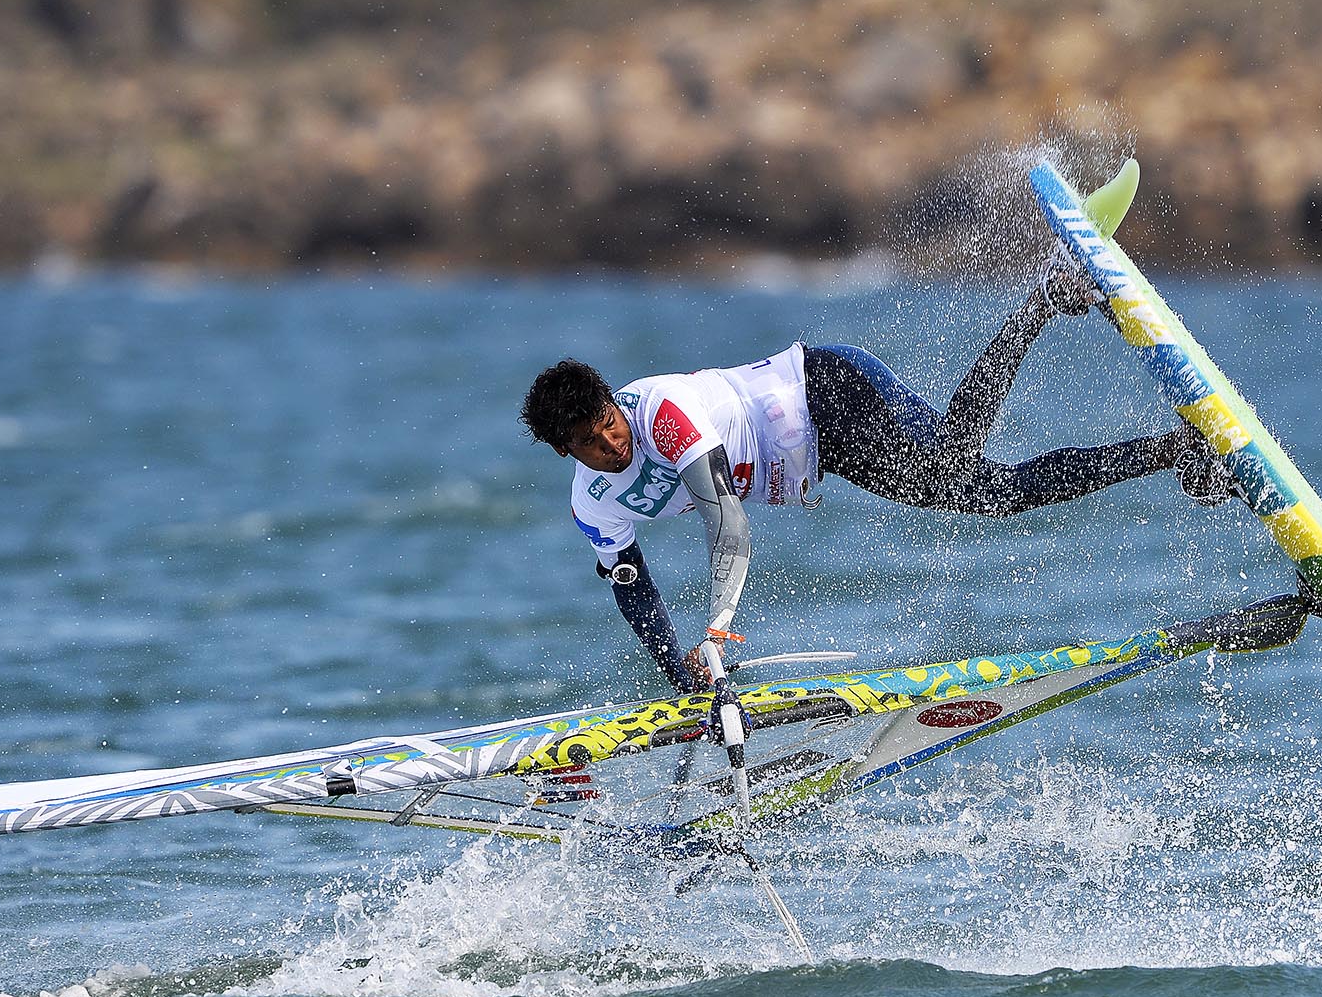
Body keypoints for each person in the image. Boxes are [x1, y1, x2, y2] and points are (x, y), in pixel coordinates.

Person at [518, 261, 1235, 693]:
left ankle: (1046, 297)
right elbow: (633, 590)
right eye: (590, 443)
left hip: (825, 388)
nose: (613, 442)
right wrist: (683, 674)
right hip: (829, 455)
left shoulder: (664, 415)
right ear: (565, 452)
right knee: (996, 495)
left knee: (955, 460)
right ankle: (1174, 449)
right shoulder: (593, 503)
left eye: (610, 421)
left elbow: (727, 521)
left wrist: (717, 633)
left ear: (616, 400)